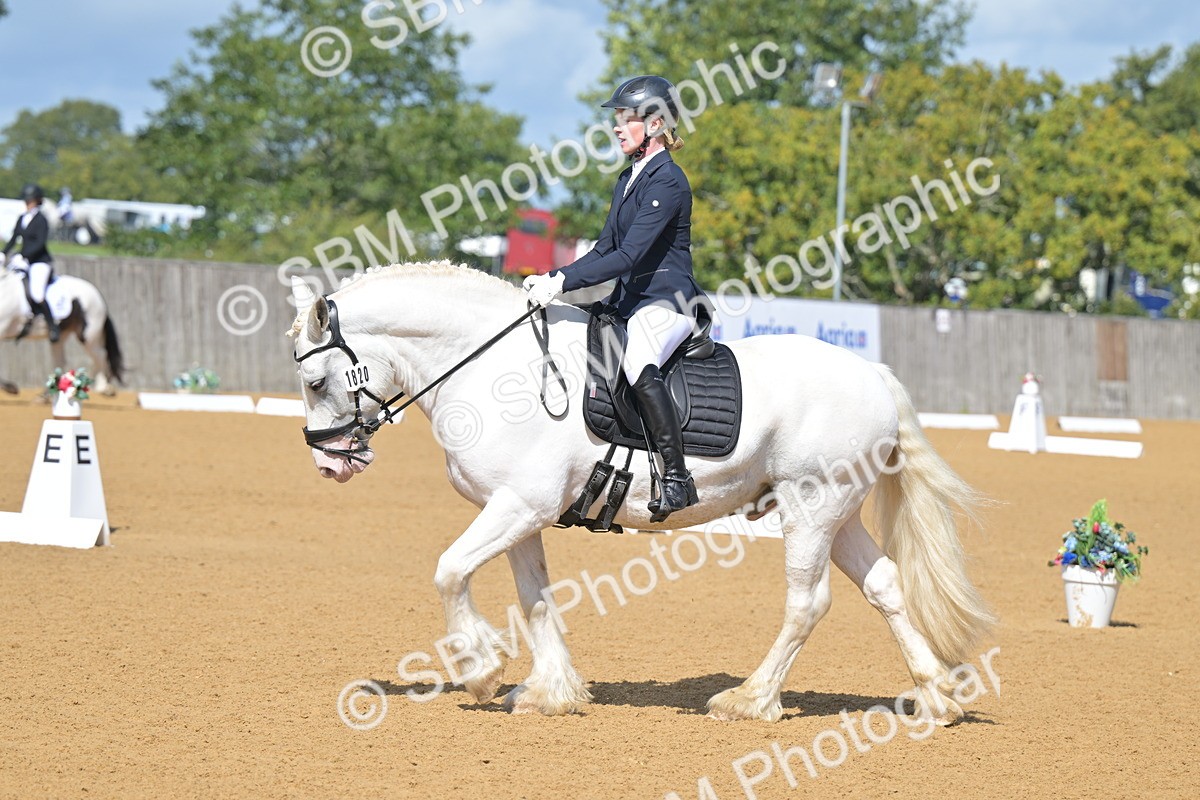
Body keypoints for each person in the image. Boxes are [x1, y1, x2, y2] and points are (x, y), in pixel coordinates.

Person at [523, 75, 706, 522]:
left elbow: (627, 256)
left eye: (628, 119)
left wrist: (563, 282)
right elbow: (605, 247)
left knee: (638, 361)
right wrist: (555, 276)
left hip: (670, 301)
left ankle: (678, 478)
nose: (618, 127)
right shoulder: (628, 178)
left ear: (657, 124)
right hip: (631, 301)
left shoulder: (669, 181)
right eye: (617, 119)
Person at [2, 183, 60, 342]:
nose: (28, 203)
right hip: (24, 260)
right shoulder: (22, 218)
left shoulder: (42, 220)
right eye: (26, 200)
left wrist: (23, 255)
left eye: (31, 200)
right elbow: (14, 238)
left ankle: (52, 326)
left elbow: (40, 243)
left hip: (40, 262)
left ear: (37, 201)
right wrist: (3, 253)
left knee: (37, 292)